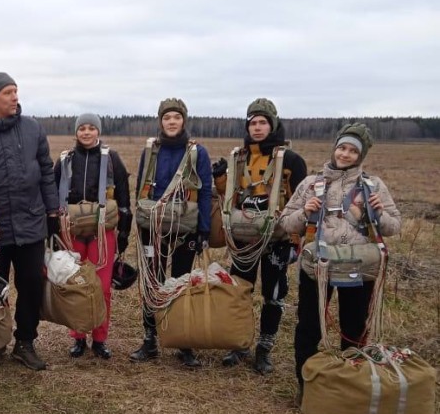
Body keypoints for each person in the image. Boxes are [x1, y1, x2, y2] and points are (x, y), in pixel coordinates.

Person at [279, 123, 401, 396]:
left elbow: (394, 227)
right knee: (309, 327)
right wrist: (304, 212)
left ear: (361, 156)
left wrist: (379, 213)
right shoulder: (311, 184)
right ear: (334, 148)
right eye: (341, 148)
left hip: (359, 267)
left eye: (352, 151)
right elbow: (286, 223)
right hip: (317, 268)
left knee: (354, 328)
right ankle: (306, 386)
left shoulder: (373, 186)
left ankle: (351, 386)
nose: (345, 155)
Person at [0, 72, 59, 371]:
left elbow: (46, 169)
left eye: (16, 91)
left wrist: (53, 210)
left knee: (31, 283)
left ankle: (25, 342)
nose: (15, 97)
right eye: (8, 92)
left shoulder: (32, 128)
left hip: (31, 221)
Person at [221, 98, 307, 374]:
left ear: (272, 124)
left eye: (262, 122)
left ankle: (264, 349)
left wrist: (296, 242)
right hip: (245, 238)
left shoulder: (292, 161)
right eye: (253, 123)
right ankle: (240, 343)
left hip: (277, 241)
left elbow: (300, 203)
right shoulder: (239, 157)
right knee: (240, 293)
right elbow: (229, 196)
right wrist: (220, 179)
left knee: (273, 294)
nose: (257, 128)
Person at [129, 98, 213, 368]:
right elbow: (141, 187)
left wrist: (203, 231)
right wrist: (141, 221)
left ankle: (182, 341)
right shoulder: (150, 151)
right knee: (152, 282)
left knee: (180, 282)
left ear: (184, 120)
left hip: (185, 229)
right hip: (152, 228)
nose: (172, 122)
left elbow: (205, 191)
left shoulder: (198, 152)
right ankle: (150, 338)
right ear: (161, 121)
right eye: (167, 118)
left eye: (177, 117)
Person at [53, 113, 131, 359]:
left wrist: (124, 231)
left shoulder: (112, 159)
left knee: (102, 287)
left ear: (98, 131)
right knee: (75, 283)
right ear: (76, 132)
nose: (86, 133)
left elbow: (124, 197)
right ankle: (78, 337)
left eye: (91, 128)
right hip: (72, 231)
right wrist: (52, 229)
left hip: (102, 232)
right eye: (82, 128)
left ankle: (99, 338)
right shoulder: (65, 160)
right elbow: (54, 196)